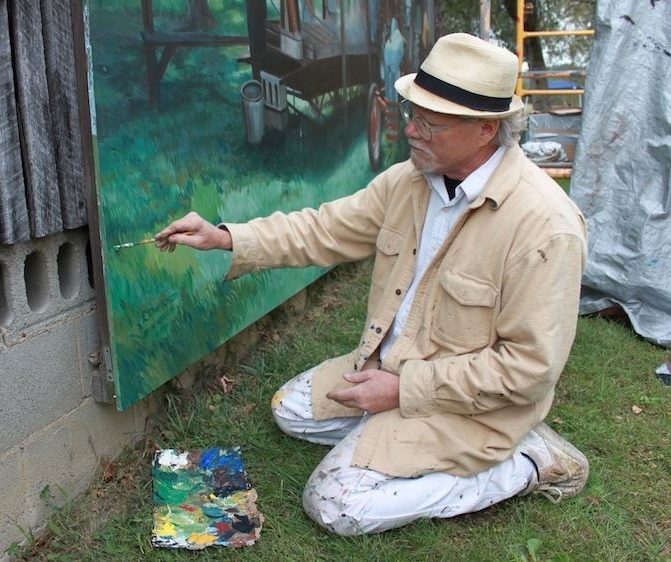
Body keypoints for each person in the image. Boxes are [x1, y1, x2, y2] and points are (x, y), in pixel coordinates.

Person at [155, 33, 589, 536]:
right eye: (411, 112)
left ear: (485, 129)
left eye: (429, 121)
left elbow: (528, 371)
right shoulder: (409, 181)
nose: (410, 129)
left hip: (474, 407)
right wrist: (225, 237)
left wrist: (405, 391)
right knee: (290, 411)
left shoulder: (546, 226)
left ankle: (530, 461)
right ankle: (387, 439)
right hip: (388, 367)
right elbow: (323, 228)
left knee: (334, 506)